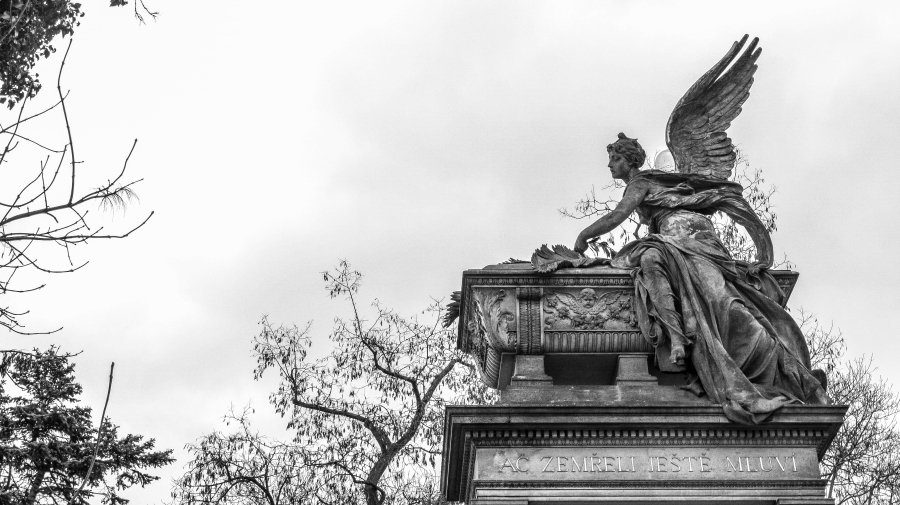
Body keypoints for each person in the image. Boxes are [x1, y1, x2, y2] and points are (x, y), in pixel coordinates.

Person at [574, 133, 828, 424]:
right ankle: (678, 338)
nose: (610, 164)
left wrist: (584, 236)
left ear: (630, 161)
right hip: (681, 241)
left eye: (615, 158)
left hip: (691, 241)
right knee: (655, 260)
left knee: (724, 303)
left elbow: (617, 215)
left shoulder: (641, 182)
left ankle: (789, 374)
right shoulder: (656, 185)